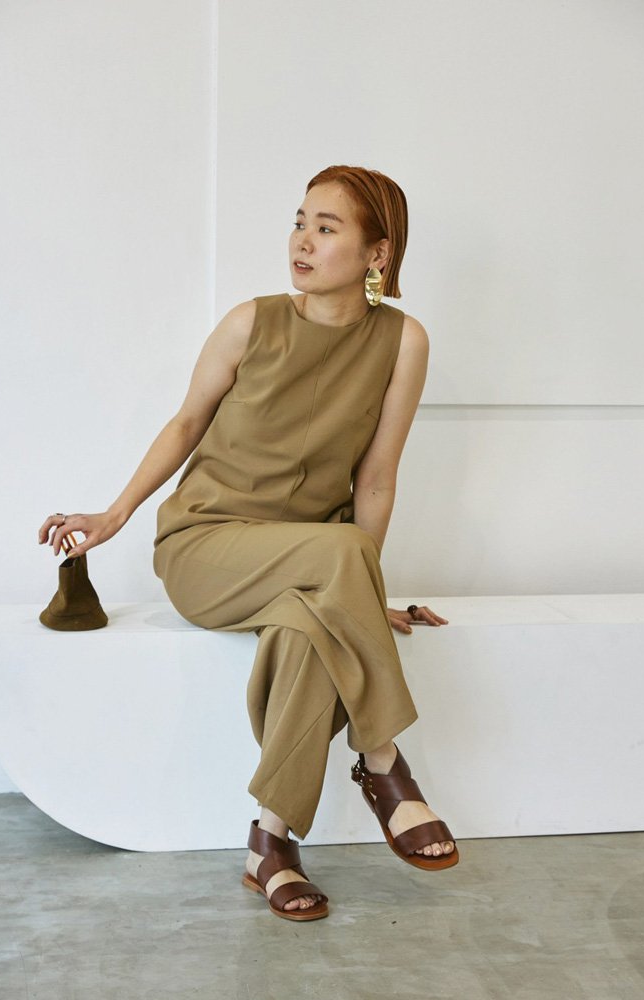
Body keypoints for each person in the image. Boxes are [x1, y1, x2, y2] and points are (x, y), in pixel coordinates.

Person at [38, 165, 458, 923]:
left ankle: (269, 844)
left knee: (306, 634)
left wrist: (357, 600)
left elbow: (377, 479)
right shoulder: (250, 322)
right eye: (300, 222)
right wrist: (116, 514)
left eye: (326, 227)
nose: (302, 240)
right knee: (341, 557)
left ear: (377, 253)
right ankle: (384, 761)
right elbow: (185, 425)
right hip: (208, 546)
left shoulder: (403, 341)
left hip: (310, 560)